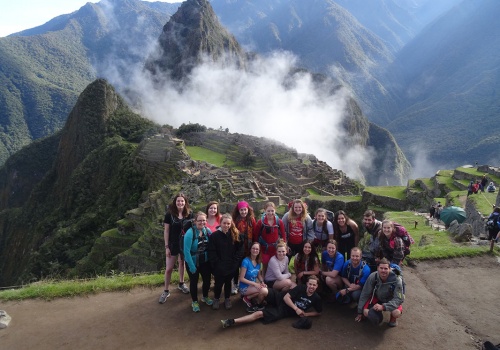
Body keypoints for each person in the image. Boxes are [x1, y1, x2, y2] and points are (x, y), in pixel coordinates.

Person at [221, 275, 322, 329]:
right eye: (310, 284)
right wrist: (296, 309)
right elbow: (287, 297)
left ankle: (232, 321)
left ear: (317, 286)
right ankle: (259, 305)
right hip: (280, 298)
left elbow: (318, 312)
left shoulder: (316, 298)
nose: (311, 287)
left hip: (283, 311)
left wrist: (306, 313)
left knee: (260, 314)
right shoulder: (301, 288)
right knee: (263, 290)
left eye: (314, 285)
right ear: (307, 284)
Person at [159, 193, 192, 304]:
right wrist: (166, 247)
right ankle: (166, 290)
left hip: (184, 244)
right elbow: (166, 231)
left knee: (182, 264)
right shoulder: (169, 214)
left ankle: (181, 283)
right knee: (169, 268)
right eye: (178, 201)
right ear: (175, 202)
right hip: (173, 244)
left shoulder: (189, 214)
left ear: (185, 202)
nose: (180, 203)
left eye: (182, 201)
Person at [208, 214, 244, 310]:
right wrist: (216, 264)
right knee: (218, 283)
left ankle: (227, 299)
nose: (226, 225)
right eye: (224, 223)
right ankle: (216, 298)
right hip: (219, 266)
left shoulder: (235, 235)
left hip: (231, 265)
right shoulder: (214, 236)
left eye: (228, 223)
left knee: (228, 283)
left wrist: (235, 262)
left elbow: (240, 249)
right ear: (220, 223)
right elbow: (211, 251)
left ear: (231, 224)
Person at [355, 258, 404, 327]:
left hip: (391, 299)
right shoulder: (373, 276)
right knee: (365, 312)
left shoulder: (397, 279)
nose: (383, 271)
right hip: (377, 297)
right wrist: (360, 311)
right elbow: (365, 293)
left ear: (389, 269)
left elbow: (399, 299)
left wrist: (383, 307)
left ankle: (393, 319)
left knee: (396, 313)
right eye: (381, 268)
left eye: (386, 268)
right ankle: (377, 315)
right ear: (377, 268)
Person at [183, 212, 213, 312]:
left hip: (204, 261)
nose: (202, 222)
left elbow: (212, 244)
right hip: (192, 261)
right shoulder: (190, 233)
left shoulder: (207, 230)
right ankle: (194, 301)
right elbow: (186, 251)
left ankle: (205, 297)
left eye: (204, 220)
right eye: (199, 220)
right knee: (194, 282)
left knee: (207, 280)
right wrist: (191, 266)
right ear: (195, 221)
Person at [253, 202, 286, 275]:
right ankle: (264, 282)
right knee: (265, 266)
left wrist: (284, 246)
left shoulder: (279, 222)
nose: (270, 213)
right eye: (268, 211)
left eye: (272, 211)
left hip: (275, 249)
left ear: (275, 211)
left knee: (275, 266)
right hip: (264, 249)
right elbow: (256, 235)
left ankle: (274, 282)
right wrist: (256, 246)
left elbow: (283, 234)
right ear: (265, 211)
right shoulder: (261, 222)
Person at [231, 201, 257, 295]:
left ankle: (244, 284)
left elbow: (254, 233)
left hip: (248, 247)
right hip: (237, 246)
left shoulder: (251, 219)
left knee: (245, 266)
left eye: (245, 210)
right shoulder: (235, 220)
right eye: (241, 210)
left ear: (248, 209)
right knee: (236, 266)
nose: (243, 212)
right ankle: (235, 284)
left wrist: (255, 244)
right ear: (238, 210)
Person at [239, 242, 268, 312]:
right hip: (244, 287)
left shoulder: (258, 261)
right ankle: (256, 304)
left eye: (257, 249)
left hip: (252, 286)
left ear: (259, 251)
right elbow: (241, 278)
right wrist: (255, 284)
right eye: (253, 248)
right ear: (250, 249)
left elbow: (259, 275)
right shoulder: (246, 261)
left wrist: (262, 282)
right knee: (263, 291)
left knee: (264, 288)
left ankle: (248, 297)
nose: (255, 250)